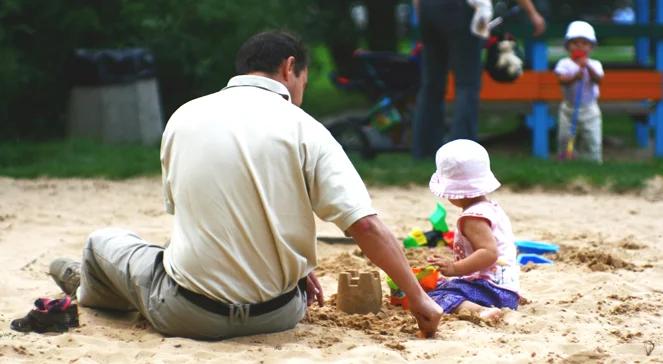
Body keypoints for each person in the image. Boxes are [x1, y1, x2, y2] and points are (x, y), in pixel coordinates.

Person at [48, 30, 443, 340]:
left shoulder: (184, 117)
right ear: (291, 68)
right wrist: (418, 297)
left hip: (186, 315)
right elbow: (366, 225)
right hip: (280, 314)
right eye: (304, 79)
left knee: (103, 242)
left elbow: (196, 216)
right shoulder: (307, 129)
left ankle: (89, 290)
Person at [411, 0, 546, 160]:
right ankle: (462, 154)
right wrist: (533, 13)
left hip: (429, 8)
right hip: (461, 9)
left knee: (431, 85)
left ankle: (424, 151)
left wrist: (422, 10)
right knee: (467, 85)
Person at [425, 139, 519, 321]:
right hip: (507, 290)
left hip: (490, 291)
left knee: (434, 297)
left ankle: (479, 311)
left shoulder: (472, 219)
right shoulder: (491, 208)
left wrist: (455, 267)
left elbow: (489, 253)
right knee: (442, 284)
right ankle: (483, 304)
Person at [554, 21, 604, 163]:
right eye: (575, 43)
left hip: (590, 109)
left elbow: (598, 79)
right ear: (567, 46)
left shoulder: (594, 64)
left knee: (592, 138)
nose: (579, 46)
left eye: (584, 43)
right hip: (568, 108)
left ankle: (593, 162)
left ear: (591, 47)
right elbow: (562, 80)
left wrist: (587, 67)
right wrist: (576, 75)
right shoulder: (564, 63)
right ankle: (565, 161)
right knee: (565, 138)